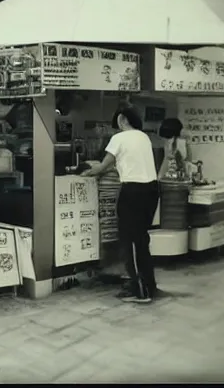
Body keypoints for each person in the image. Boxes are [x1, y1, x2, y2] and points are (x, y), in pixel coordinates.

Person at [82, 106, 159, 304]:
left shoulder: (120, 138)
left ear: (122, 119)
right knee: (141, 239)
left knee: (130, 241)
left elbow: (103, 166)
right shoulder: (144, 137)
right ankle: (149, 285)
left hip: (133, 191)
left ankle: (140, 291)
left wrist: (85, 171)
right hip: (152, 190)